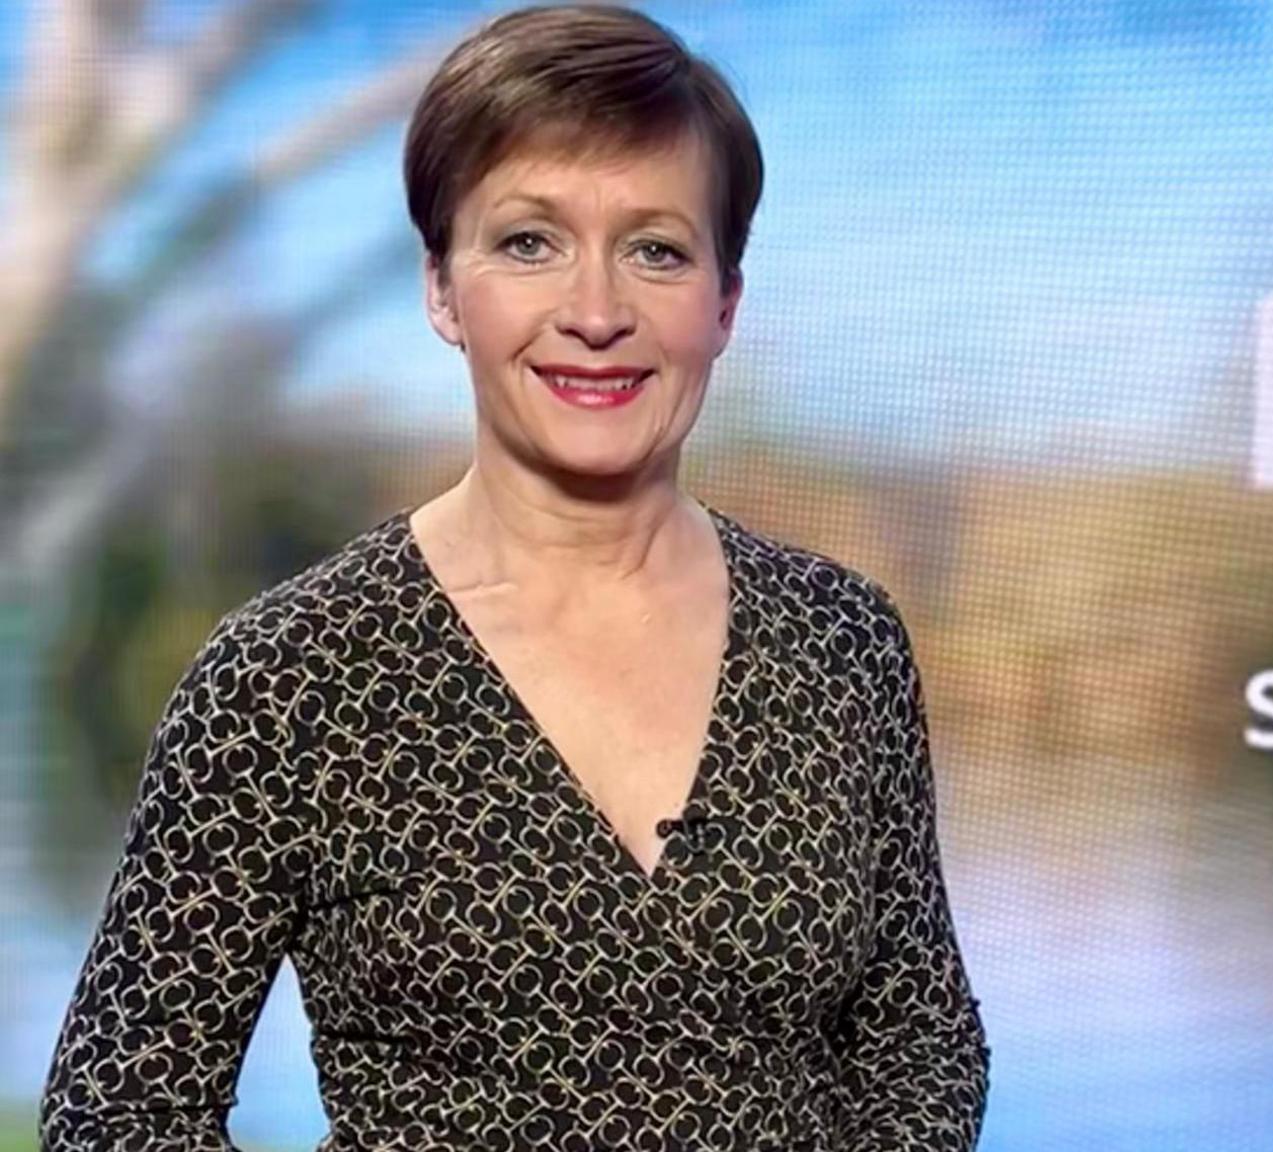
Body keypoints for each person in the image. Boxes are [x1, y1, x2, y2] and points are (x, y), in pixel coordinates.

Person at [38, 5, 990, 1149]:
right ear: (443, 290)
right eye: (528, 243)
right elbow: (121, 1111)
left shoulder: (840, 641)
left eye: (657, 249)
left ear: (723, 304)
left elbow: (918, 1042)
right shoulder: (291, 676)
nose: (595, 314)